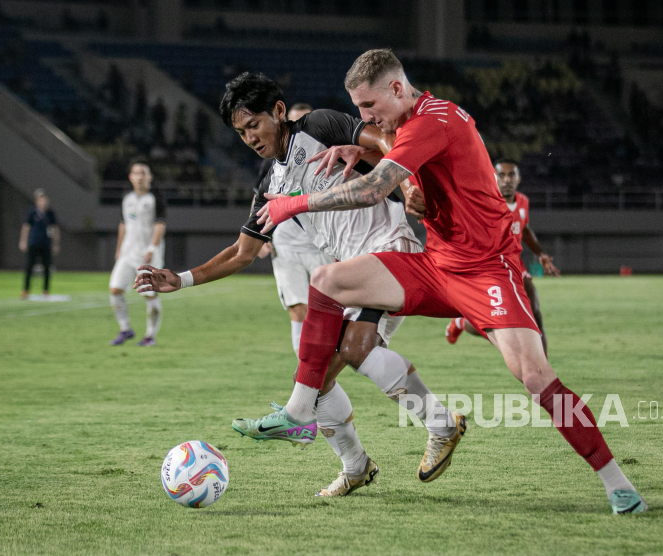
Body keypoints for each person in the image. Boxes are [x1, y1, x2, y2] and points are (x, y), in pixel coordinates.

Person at [251, 49, 646, 514]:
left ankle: (617, 483)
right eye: (358, 109)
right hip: (436, 265)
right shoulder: (405, 121)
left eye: (369, 107)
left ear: (397, 89)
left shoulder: (431, 122)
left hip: (486, 270)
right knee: (328, 279)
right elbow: (396, 158)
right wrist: (364, 146)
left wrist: (291, 205)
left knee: (537, 377)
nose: (365, 117)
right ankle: (301, 408)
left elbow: (372, 189)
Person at [135, 73, 463, 496]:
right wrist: (179, 279)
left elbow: (383, 137)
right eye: (240, 132)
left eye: (253, 125)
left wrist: (407, 181)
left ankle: (438, 423)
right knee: (322, 376)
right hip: (352, 273)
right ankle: (357, 464)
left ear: (277, 111)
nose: (249, 138)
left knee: (350, 353)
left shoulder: (319, 126)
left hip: (387, 247)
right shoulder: (270, 185)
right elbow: (242, 253)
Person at [445, 159, 560, 354]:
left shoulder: (522, 201)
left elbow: (524, 229)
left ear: (519, 178)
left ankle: (546, 376)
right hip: (489, 268)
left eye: (511, 175)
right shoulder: (484, 201)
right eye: (502, 175)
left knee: (536, 313)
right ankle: (462, 323)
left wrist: (540, 253)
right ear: (494, 177)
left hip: (515, 266)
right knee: (494, 323)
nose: (507, 180)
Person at [254, 102, 336, 357]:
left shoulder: (330, 154)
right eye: (293, 121)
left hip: (322, 242)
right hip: (286, 244)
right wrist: (260, 235)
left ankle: (323, 372)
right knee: (298, 309)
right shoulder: (273, 160)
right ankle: (305, 376)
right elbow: (260, 197)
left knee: (327, 311)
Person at [109, 158, 166, 347]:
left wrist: (152, 248)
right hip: (127, 253)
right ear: (130, 177)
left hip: (147, 255)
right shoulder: (127, 199)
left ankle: (150, 336)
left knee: (149, 294)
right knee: (115, 289)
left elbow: (159, 225)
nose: (140, 177)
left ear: (150, 177)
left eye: (143, 173)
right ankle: (125, 329)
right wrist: (118, 250)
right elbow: (123, 224)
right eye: (136, 173)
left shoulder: (155, 198)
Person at [19, 189, 59, 299]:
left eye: (44, 199)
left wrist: (55, 243)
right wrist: (23, 241)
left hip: (46, 244)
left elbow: (55, 229)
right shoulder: (32, 213)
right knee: (29, 267)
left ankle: (45, 290)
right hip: (34, 243)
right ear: (37, 201)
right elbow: (26, 227)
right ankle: (25, 290)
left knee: (47, 268)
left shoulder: (50, 213)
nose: (43, 202)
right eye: (40, 200)